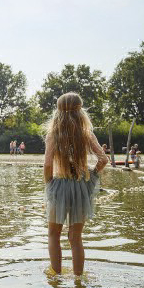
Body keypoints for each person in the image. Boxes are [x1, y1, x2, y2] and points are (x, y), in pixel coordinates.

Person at [44, 92, 108, 276]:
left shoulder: (53, 135)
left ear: (58, 111)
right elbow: (103, 159)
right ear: (81, 111)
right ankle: (78, 278)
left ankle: (56, 277)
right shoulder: (86, 134)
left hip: (59, 184)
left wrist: (50, 184)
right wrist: (92, 176)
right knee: (75, 237)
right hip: (81, 186)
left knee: (54, 235)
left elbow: (48, 164)